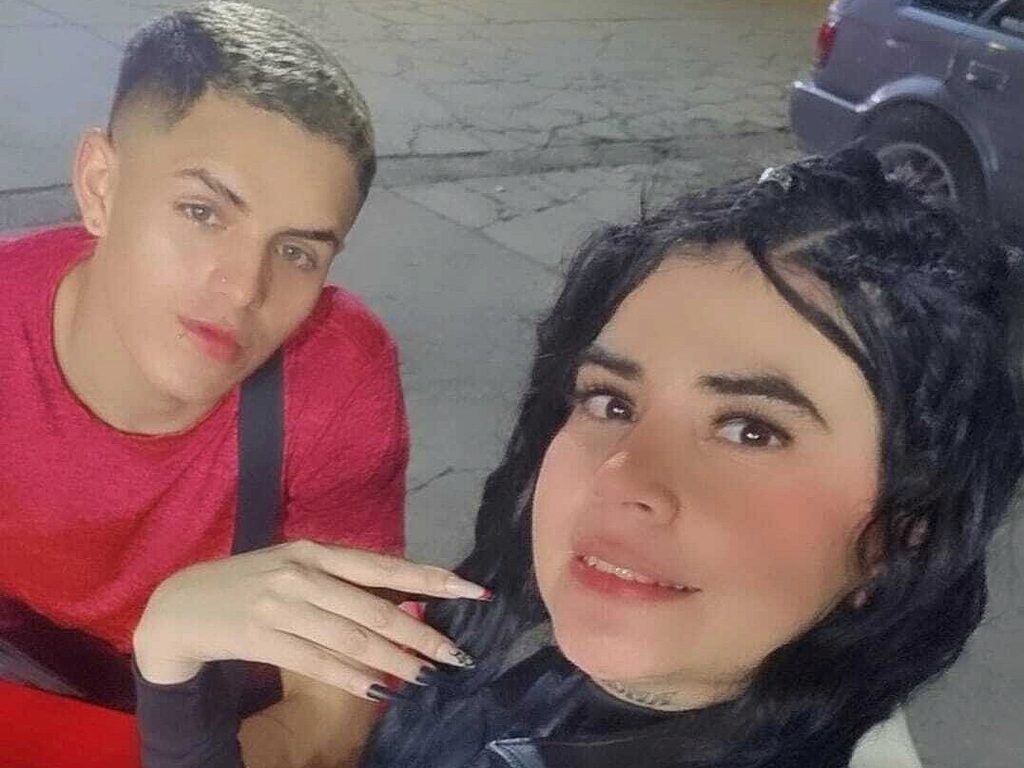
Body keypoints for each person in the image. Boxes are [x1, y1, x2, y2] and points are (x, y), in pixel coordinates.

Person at [132, 149, 1024, 768]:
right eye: (611, 402)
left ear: (901, 534)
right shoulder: (550, 667)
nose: (621, 475)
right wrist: (172, 660)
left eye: (752, 429)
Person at [0, 3, 491, 766]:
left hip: (222, 724)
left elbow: (331, 714)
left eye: (296, 252)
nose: (242, 289)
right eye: (203, 212)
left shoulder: (333, 376)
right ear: (100, 187)